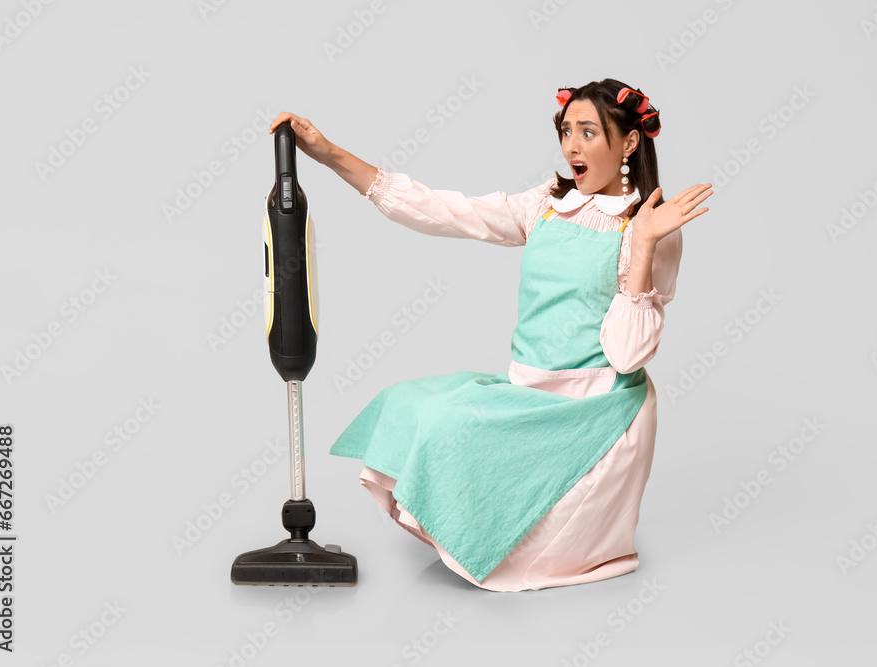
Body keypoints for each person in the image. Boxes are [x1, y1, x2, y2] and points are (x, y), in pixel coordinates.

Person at [268, 78, 711, 592]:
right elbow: (443, 210)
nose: (572, 146)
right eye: (567, 131)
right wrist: (329, 154)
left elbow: (629, 355)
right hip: (528, 390)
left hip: (593, 407)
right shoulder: (548, 202)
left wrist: (642, 247)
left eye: (589, 133)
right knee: (408, 405)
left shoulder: (652, 228)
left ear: (630, 142)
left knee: (446, 422)